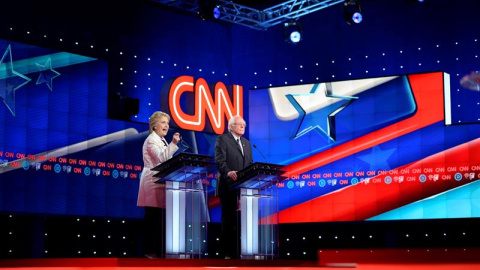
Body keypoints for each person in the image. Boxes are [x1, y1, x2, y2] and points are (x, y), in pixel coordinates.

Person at [137, 111, 180, 258]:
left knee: (159, 217)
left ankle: (159, 251)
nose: (166, 126)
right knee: (152, 217)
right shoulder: (151, 140)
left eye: (167, 123)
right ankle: (149, 251)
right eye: (163, 122)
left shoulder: (162, 140)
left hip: (161, 180)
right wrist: (174, 144)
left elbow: (166, 159)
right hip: (152, 180)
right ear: (154, 126)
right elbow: (161, 159)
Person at [214, 115, 253, 259]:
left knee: (241, 220)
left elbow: (250, 163)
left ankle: (240, 252)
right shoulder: (223, 139)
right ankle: (227, 254)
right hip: (228, 185)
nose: (243, 126)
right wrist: (228, 172)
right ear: (231, 126)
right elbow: (220, 160)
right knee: (229, 219)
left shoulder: (247, 143)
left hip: (243, 187)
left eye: (244, 124)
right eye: (239, 124)